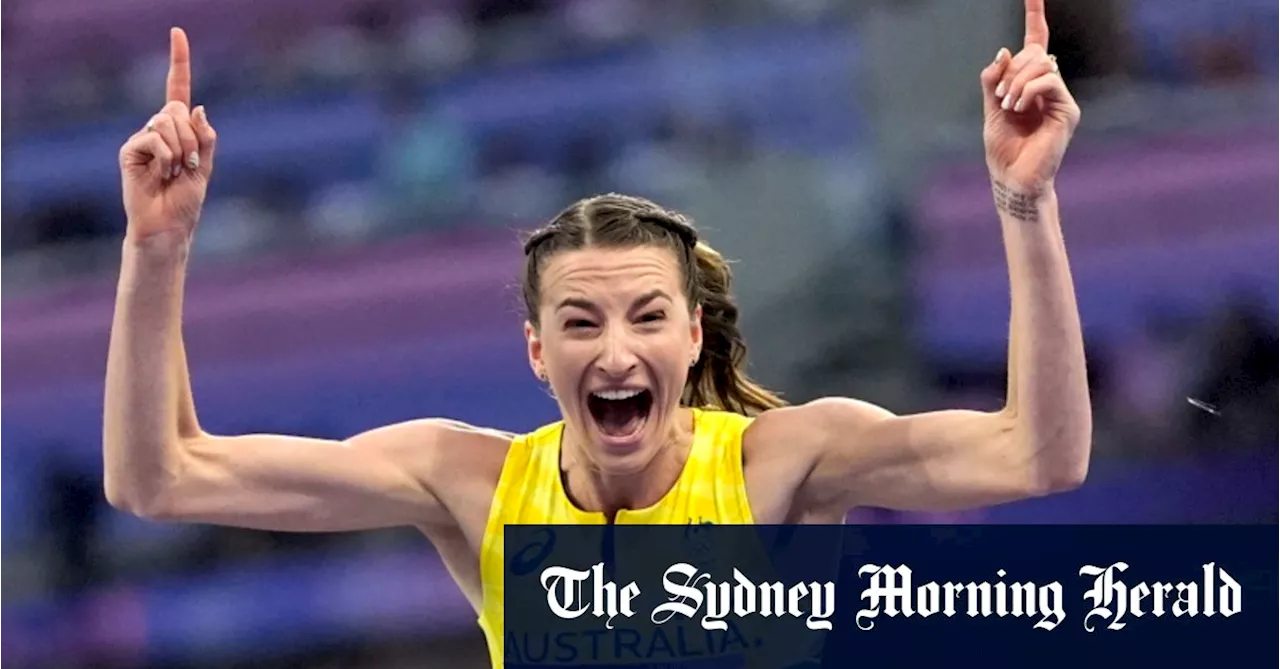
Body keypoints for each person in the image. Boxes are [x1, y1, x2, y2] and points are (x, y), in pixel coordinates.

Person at [104, 2, 1090, 665]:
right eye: (579, 322)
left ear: (693, 339)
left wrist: (1022, 200)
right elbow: (161, 477)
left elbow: (1036, 456)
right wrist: (157, 249)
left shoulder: (781, 464)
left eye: (647, 317)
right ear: (537, 352)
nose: (615, 351)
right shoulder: (471, 484)